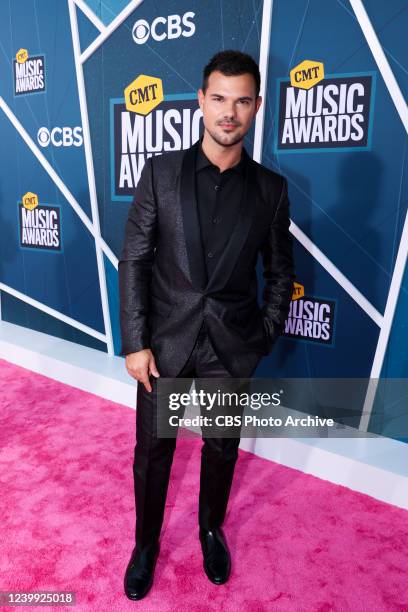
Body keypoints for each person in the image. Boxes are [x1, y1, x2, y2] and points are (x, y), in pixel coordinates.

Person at [118, 49, 295, 601]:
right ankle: (146, 545)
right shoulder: (161, 173)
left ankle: (211, 530)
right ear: (200, 100)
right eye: (219, 98)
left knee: (221, 448)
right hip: (166, 343)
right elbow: (136, 261)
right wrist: (136, 342)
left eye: (242, 101)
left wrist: (263, 335)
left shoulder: (270, 189)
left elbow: (281, 270)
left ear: (257, 107)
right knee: (154, 451)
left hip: (230, 346)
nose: (229, 112)